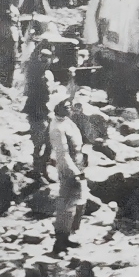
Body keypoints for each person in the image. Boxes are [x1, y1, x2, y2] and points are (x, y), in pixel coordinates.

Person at [49, 97, 87, 254]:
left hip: (77, 163)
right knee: (67, 204)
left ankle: (68, 235)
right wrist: (74, 172)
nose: (69, 108)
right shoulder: (57, 128)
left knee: (77, 201)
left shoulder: (67, 122)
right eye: (65, 107)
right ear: (57, 108)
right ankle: (60, 241)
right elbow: (62, 154)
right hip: (68, 168)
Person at [23, 47, 54, 180]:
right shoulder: (35, 74)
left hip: (46, 111)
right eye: (43, 59)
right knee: (39, 142)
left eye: (47, 59)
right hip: (36, 111)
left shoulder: (48, 74)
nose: (45, 62)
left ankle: (43, 169)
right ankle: (36, 170)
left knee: (49, 143)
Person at [0, 0, 21, 88]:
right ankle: (2, 80)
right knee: (3, 59)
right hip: (4, 37)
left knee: (13, 59)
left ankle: (9, 81)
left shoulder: (15, 10)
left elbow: (18, 25)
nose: (9, 1)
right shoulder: (1, 11)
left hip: (13, 37)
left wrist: (21, 37)